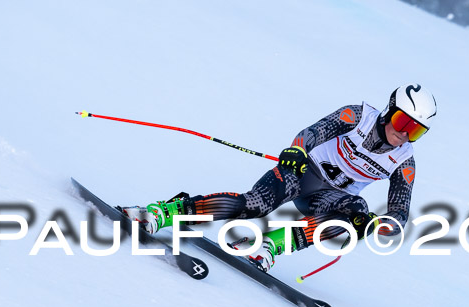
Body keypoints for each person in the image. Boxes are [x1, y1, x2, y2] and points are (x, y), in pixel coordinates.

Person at [122, 83, 437, 272]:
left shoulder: (404, 162)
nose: (403, 134)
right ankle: (163, 212)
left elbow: (400, 210)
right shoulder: (358, 116)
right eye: (401, 121)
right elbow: (312, 133)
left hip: (328, 198)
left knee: (356, 214)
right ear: (388, 110)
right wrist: (297, 151)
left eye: (415, 131)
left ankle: (268, 247)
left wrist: (382, 225)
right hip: (301, 173)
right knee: (254, 206)